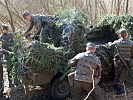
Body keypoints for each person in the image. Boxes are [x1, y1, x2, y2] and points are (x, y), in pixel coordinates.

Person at [109, 28, 133, 95]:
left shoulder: (117, 42)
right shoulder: (131, 43)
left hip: (117, 62)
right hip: (126, 62)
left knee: (117, 74)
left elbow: (110, 46)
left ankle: (115, 85)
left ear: (120, 35)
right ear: (127, 34)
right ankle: (118, 89)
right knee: (123, 76)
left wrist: (109, 43)